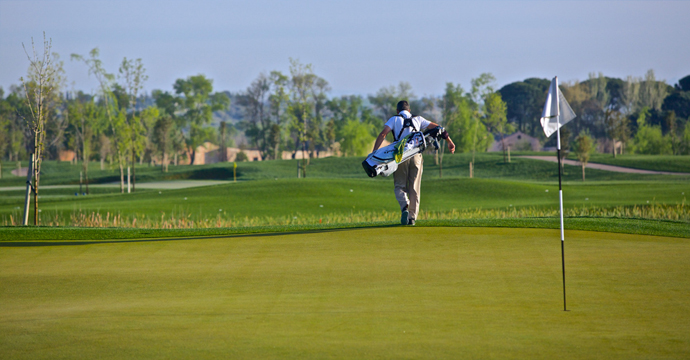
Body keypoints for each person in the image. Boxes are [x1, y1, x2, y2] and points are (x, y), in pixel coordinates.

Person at [372, 100, 455, 226]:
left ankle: (404, 206)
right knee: (414, 187)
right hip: (416, 155)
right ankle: (412, 218)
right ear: (409, 110)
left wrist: (374, 153)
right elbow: (439, 128)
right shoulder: (418, 119)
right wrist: (449, 141)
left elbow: (383, 134)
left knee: (399, 186)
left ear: (397, 111)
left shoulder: (394, 119)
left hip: (400, 156)